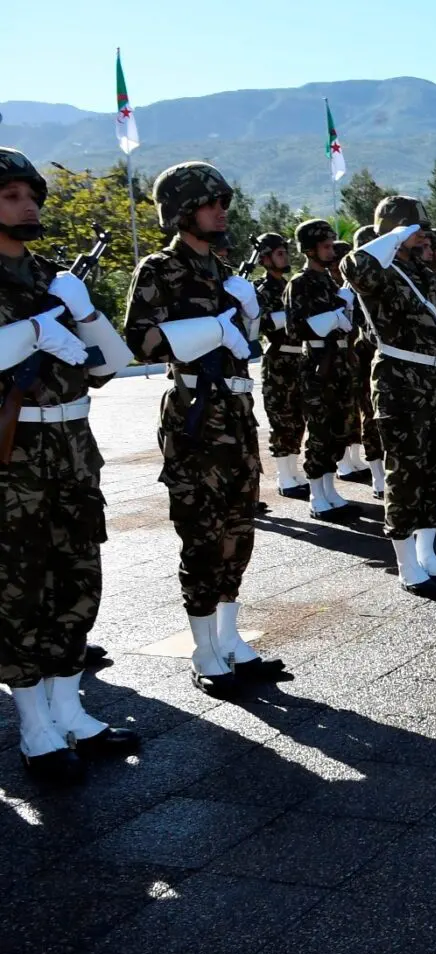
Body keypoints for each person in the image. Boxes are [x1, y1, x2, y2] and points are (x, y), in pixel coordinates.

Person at [0, 147, 139, 783]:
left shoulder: (56, 279)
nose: (27, 205)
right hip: (14, 458)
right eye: (11, 196)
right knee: (19, 590)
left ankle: (69, 709)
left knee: (78, 581)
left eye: (32, 195)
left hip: (74, 451)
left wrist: (80, 312)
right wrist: (34, 335)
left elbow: (111, 364)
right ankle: (33, 726)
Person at [124, 161, 285, 696]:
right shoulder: (160, 269)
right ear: (182, 210)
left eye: (223, 203)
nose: (221, 212)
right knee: (202, 535)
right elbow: (138, 341)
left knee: (239, 532)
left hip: (236, 415)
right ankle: (203, 649)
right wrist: (212, 327)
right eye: (210, 203)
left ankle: (230, 638)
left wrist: (246, 314)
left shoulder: (223, 270)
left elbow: (248, 344)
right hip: (195, 416)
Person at [338, 196, 436, 595]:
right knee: (405, 472)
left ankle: (429, 556)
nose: (423, 235)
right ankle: (407, 565)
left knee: (434, 470)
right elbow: (352, 265)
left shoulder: (421, 272)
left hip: (432, 379)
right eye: (415, 228)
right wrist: (393, 235)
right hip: (398, 380)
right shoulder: (381, 271)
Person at [284, 219, 356, 521]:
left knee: (339, 428)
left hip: (340, 364)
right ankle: (316, 493)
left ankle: (329, 489)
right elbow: (294, 328)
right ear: (310, 249)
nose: (331, 252)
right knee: (320, 430)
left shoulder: (329, 281)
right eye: (325, 247)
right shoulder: (298, 284)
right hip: (317, 366)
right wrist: (331, 318)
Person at [253, 232, 307, 497]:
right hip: (278, 360)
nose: (284, 256)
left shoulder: (288, 286)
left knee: (297, 419)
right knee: (281, 418)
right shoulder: (261, 290)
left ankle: (294, 471)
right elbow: (263, 323)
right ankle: (284, 477)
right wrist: (291, 316)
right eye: (279, 253)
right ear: (265, 258)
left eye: (285, 252)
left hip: (298, 358)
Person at [344, 224, 387, 498]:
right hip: (365, 355)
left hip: (384, 355)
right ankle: (378, 477)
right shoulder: (355, 285)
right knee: (371, 418)